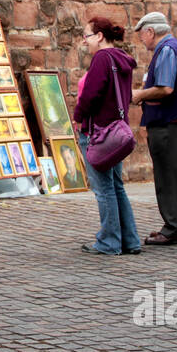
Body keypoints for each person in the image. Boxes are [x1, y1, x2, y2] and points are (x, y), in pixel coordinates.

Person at [73, 16, 142, 257]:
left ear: (100, 36)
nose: (85, 42)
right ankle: (130, 239)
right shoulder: (122, 59)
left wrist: (78, 116)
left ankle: (110, 241)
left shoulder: (102, 58)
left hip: (99, 131)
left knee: (104, 189)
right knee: (116, 186)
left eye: (87, 36)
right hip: (116, 130)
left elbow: (91, 94)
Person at [131, 12, 177, 245]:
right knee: (168, 173)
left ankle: (173, 228)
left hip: (168, 121)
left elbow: (165, 88)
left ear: (150, 31)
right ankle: (173, 225)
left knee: (167, 175)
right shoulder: (172, 48)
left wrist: (139, 94)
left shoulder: (167, 49)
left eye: (142, 35)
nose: (142, 40)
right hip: (171, 120)